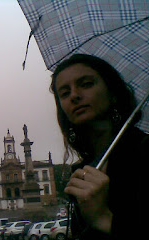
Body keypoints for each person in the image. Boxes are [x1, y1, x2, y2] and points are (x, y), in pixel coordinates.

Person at [50, 54, 149, 239]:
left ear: (112, 93)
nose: (74, 95)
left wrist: (103, 218)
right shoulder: (83, 168)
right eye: (64, 93)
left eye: (86, 84)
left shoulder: (144, 152)